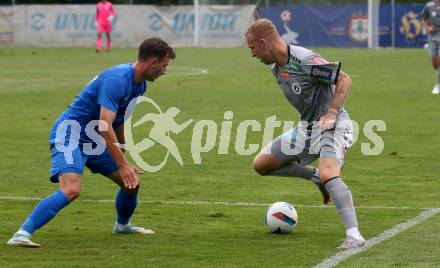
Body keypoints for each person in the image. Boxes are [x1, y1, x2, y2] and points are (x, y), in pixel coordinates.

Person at [6, 37, 176, 248]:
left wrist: (123, 156)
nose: (164, 71)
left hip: (94, 140)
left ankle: (122, 226)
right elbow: (105, 124)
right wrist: (122, 165)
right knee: (72, 189)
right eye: (164, 65)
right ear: (152, 61)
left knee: (130, 184)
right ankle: (21, 234)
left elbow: (118, 120)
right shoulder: (118, 79)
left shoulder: (139, 87)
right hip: (71, 134)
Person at [245, 19, 365, 250]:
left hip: (333, 125)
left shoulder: (305, 61)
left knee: (331, 174)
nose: (252, 54)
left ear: (263, 43)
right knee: (262, 164)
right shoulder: (277, 68)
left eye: (252, 48)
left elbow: (344, 78)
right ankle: (315, 177)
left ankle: (354, 235)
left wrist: (331, 112)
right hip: (307, 128)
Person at [421, 0, 440, 94]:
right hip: (432, 37)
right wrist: (427, 28)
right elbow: (423, 20)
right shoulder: (429, 5)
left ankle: (437, 85)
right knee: (435, 63)